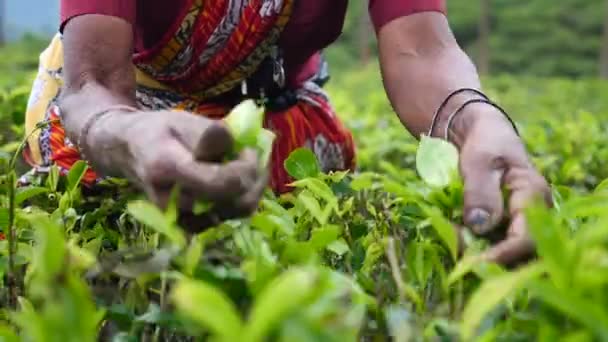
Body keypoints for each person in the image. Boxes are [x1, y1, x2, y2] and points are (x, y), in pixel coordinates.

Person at [22, 0, 551, 266]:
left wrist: (478, 121)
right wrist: (125, 134)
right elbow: (93, 79)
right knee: (97, 224)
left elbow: (422, 46)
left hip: (277, 110)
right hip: (134, 106)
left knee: (299, 230)